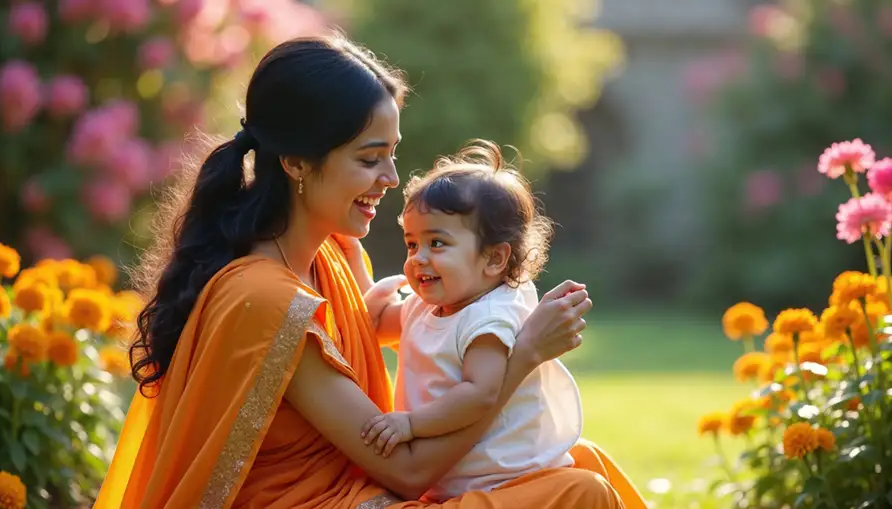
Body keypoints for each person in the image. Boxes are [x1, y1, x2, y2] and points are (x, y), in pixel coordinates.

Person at [93, 33, 646, 509]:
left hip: (371, 487)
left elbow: (414, 330)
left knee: (578, 459)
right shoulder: (265, 299)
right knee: (580, 492)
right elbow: (406, 470)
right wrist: (523, 355)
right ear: (296, 163)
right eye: (368, 158)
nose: (390, 177)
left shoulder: (332, 256)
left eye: (392, 154)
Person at [357, 140, 587, 503]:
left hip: (503, 478)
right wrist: (350, 252)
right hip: (455, 475)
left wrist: (411, 424)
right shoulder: (431, 303)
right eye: (412, 244)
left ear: (494, 259)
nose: (418, 258)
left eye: (437, 244)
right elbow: (381, 325)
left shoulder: (489, 318)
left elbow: (480, 393)